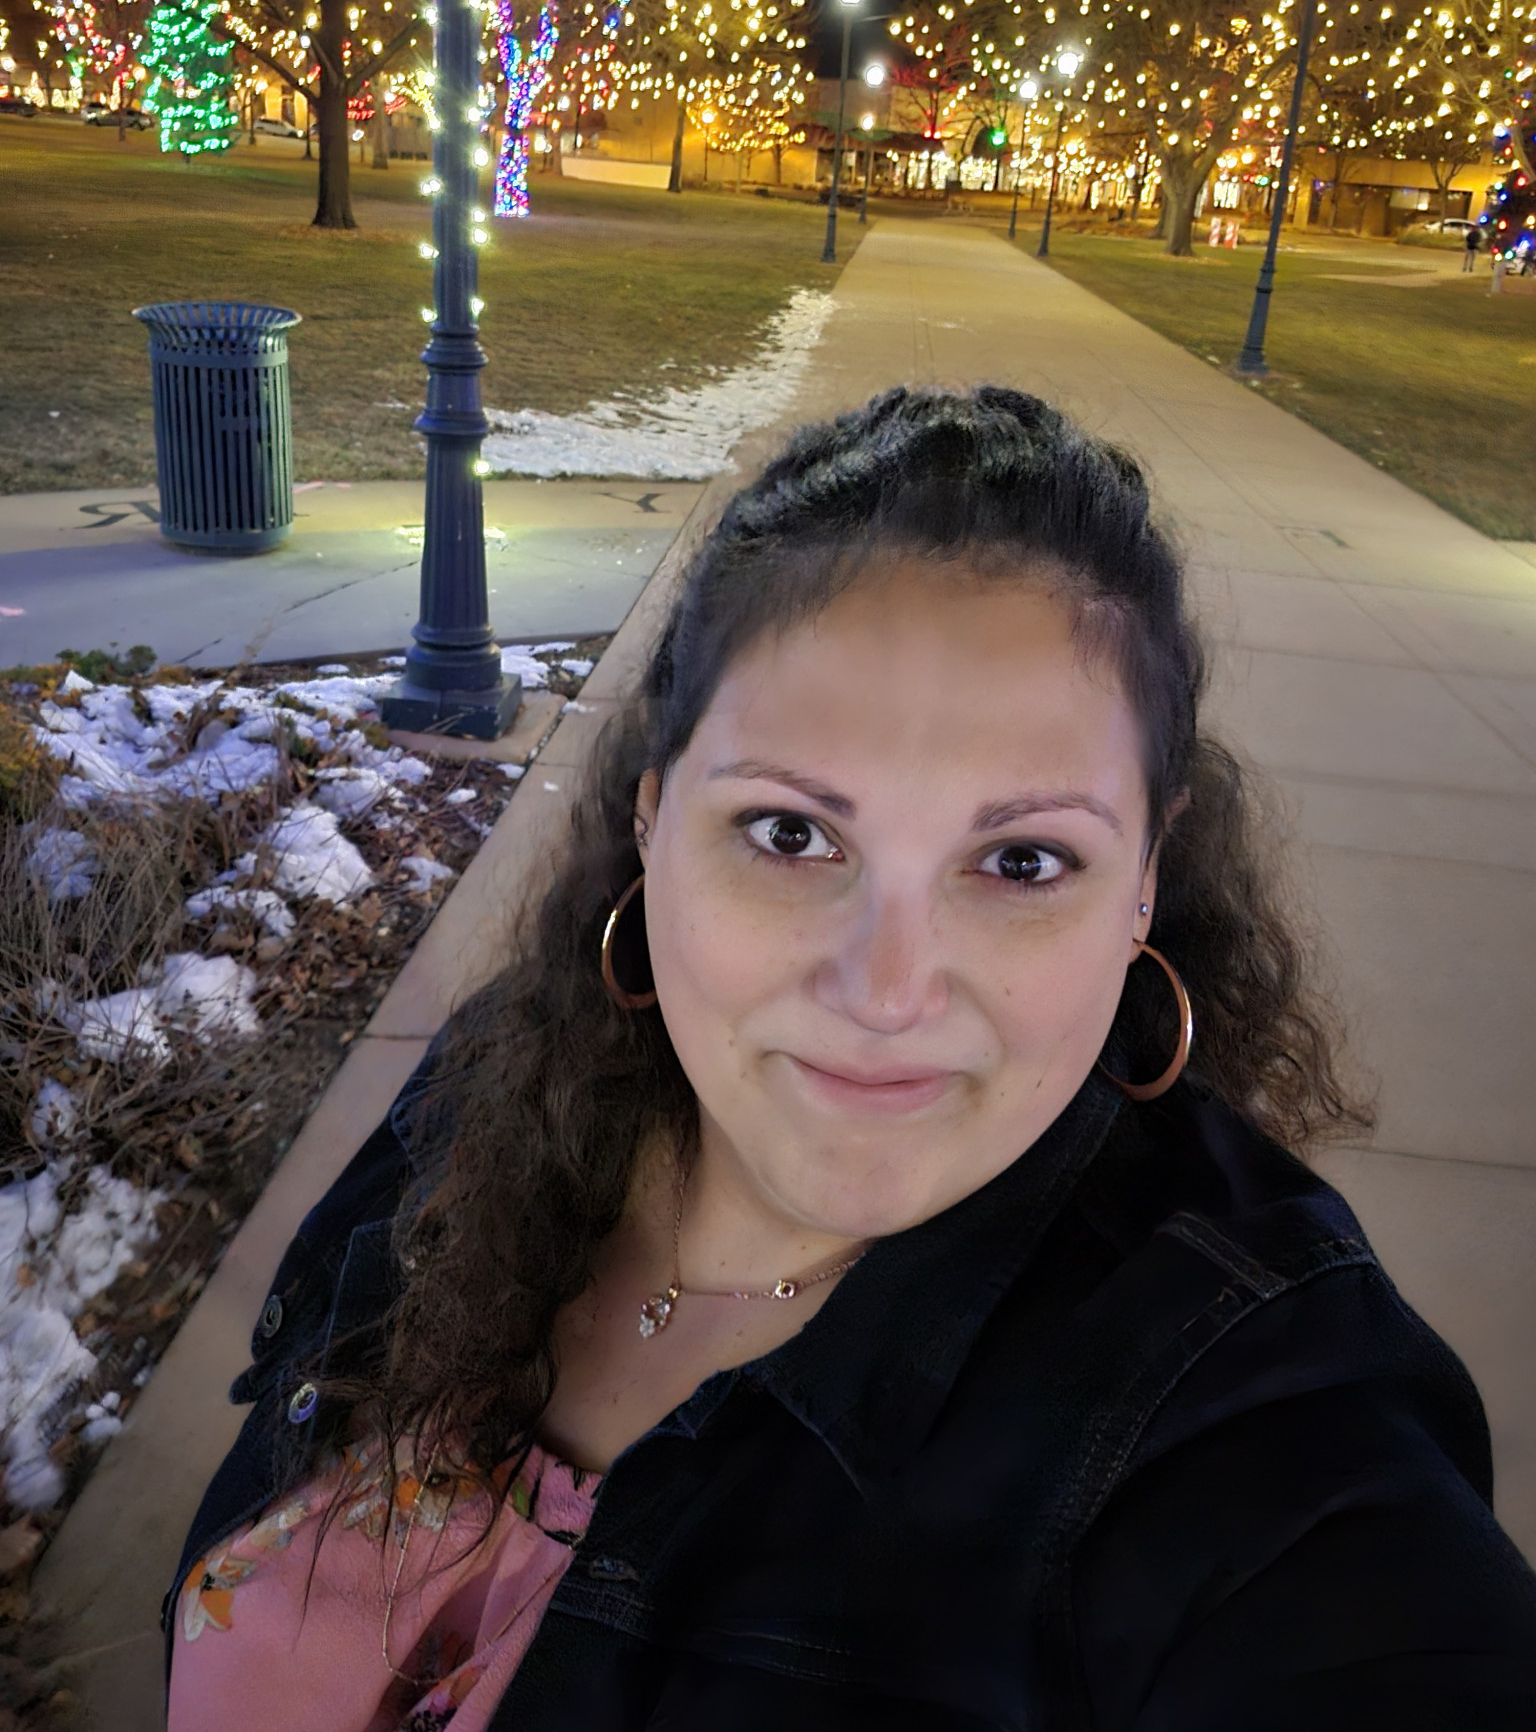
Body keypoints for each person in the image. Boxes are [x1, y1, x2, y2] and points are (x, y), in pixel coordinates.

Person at [165, 387, 1536, 1730]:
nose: (885, 992)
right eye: (791, 834)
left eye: (1022, 860)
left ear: (1145, 884)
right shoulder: (491, 1085)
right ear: (652, 818)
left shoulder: (1245, 1406)